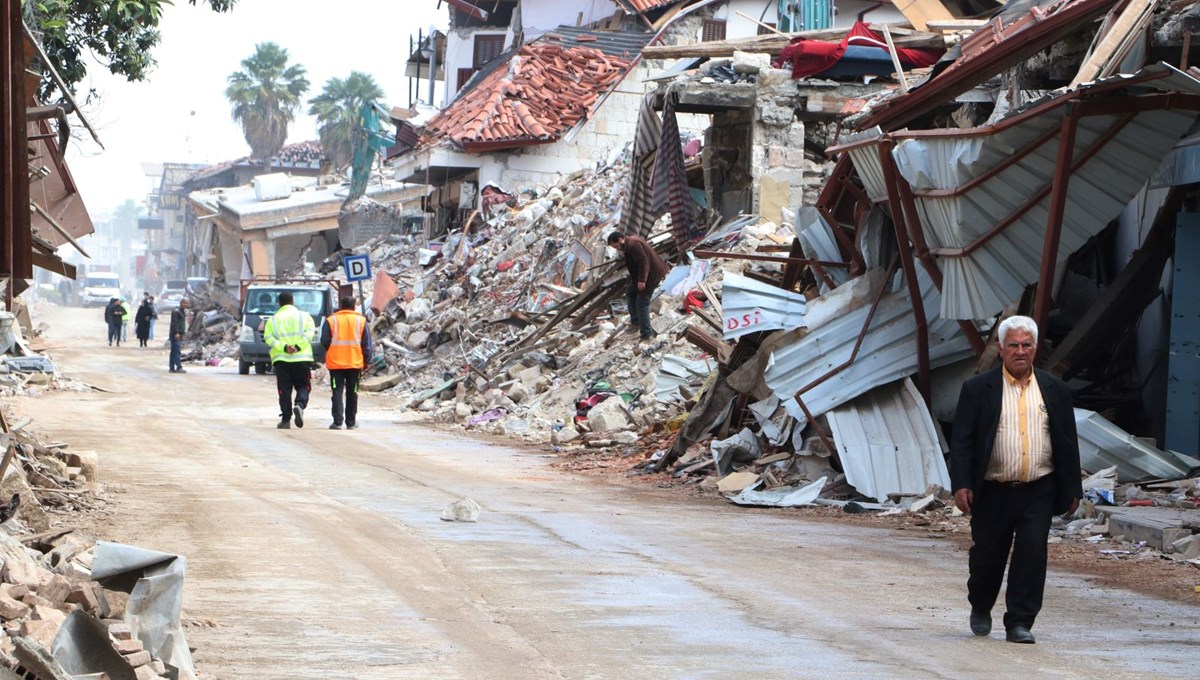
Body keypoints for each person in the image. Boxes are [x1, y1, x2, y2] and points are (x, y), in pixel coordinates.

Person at [950, 315, 1082, 645]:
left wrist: (1072, 490)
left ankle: (1019, 622)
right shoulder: (978, 389)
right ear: (1001, 348)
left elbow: (1067, 442)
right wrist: (961, 484)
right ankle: (980, 604)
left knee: (1032, 555)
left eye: (1026, 345)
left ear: (1035, 348)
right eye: (1013, 345)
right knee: (987, 557)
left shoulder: (1056, 389)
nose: (1020, 351)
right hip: (992, 490)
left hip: (1039, 488)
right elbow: (963, 441)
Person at [263, 291, 316, 429]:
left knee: (284, 390)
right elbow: (310, 333)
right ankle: (299, 404)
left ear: (279, 304)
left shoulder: (272, 320)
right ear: (293, 302)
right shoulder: (305, 317)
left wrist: (285, 348)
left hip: (281, 360)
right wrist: (297, 347)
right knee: (303, 386)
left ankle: (286, 420)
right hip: (302, 359)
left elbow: (269, 338)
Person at [320, 296, 374, 430]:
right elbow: (366, 344)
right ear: (354, 306)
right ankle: (351, 422)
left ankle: (337, 422)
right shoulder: (361, 321)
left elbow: (324, 340)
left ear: (341, 306)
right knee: (352, 392)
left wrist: (333, 350)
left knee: (337, 392)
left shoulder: (331, 320)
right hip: (354, 364)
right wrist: (367, 360)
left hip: (336, 364)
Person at [607, 231, 668, 340]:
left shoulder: (633, 245)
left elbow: (643, 262)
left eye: (616, 246)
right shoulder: (630, 243)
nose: (616, 249)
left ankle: (646, 334)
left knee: (642, 303)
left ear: (621, 239)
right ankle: (636, 322)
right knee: (630, 293)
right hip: (644, 275)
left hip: (651, 275)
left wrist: (642, 280)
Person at [169, 298, 190, 373]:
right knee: (177, 351)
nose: (186, 305)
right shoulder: (176, 311)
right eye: (184, 303)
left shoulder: (182, 312)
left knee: (174, 351)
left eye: (187, 303)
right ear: (181, 303)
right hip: (175, 334)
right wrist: (176, 333)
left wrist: (183, 334)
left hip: (179, 333)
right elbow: (174, 323)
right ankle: (179, 367)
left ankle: (171, 368)